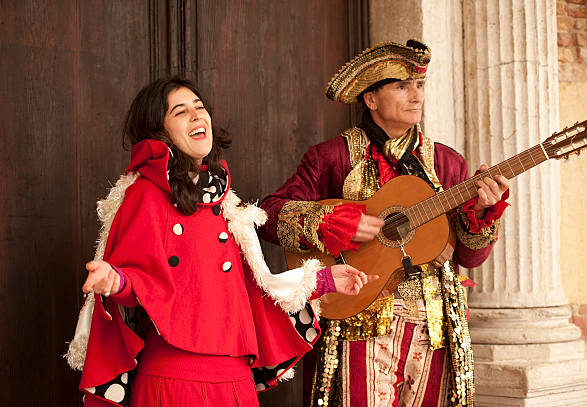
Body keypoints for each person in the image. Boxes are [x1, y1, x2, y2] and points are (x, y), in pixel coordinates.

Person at [71, 77, 377, 407]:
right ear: (159, 132)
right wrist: (114, 280)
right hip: (175, 382)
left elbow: (250, 291)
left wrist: (322, 280)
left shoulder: (225, 202)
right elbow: (142, 281)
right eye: (180, 112)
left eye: (200, 108)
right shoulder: (145, 194)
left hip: (236, 383)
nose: (197, 116)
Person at [257, 40, 510, 407]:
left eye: (420, 85)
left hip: (434, 325)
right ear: (371, 99)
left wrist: (483, 211)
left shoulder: (446, 163)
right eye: (401, 86)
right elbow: (269, 214)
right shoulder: (333, 157)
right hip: (359, 319)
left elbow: (471, 259)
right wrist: (331, 221)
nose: (416, 96)